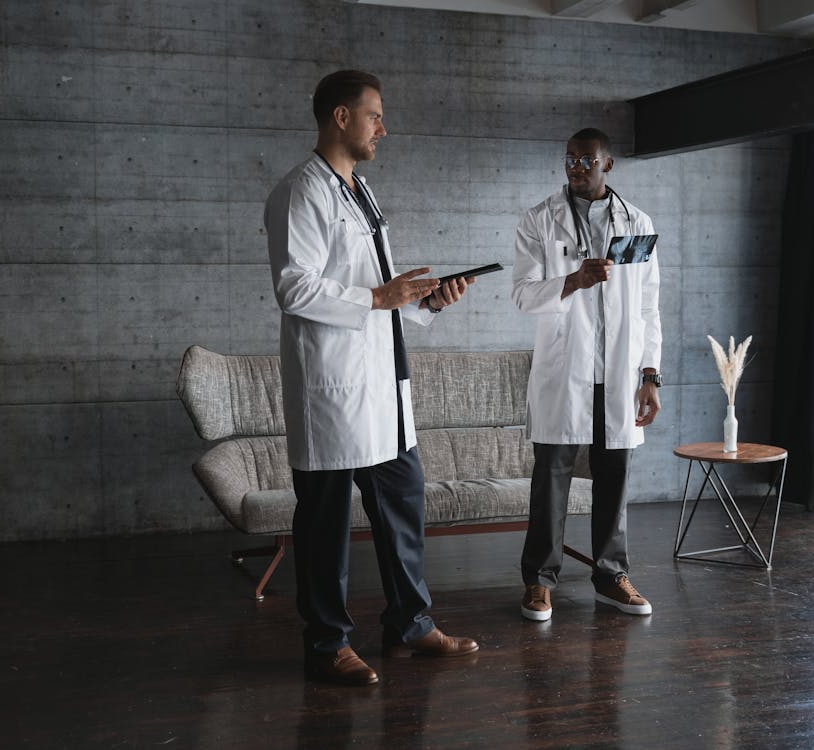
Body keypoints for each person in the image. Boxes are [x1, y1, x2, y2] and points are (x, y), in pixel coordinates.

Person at [265, 70, 478, 686]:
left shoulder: (361, 192)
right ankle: (327, 643)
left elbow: (378, 294)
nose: (383, 128)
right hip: (331, 386)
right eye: (374, 115)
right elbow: (294, 287)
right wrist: (381, 296)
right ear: (340, 117)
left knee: (403, 504)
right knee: (326, 522)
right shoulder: (299, 192)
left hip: (383, 386)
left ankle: (411, 623)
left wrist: (424, 302)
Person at [512, 127, 663, 622]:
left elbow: (647, 308)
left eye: (586, 160)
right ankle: (539, 581)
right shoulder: (540, 221)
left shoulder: (636, 224)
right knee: (551, 477)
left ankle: (610, 574)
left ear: (608, 164)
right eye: (570, 160)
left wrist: (650, 375)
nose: (576, 168)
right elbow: (523, 294)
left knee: (614, 476)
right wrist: (575, 279)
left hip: (618, 372)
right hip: (564, 370)